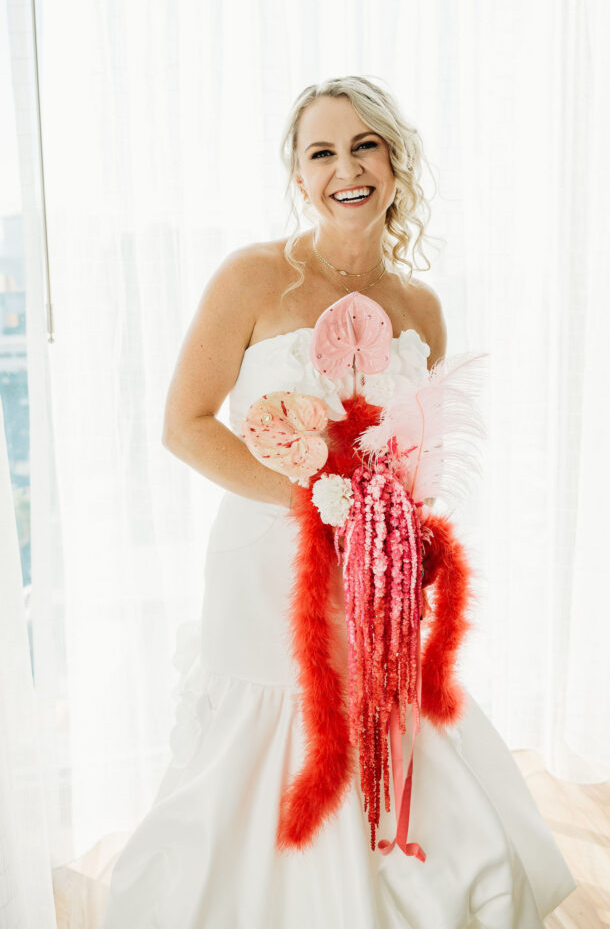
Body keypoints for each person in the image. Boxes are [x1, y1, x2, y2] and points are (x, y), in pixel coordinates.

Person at [101, 76, 577, 927]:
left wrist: (401, 532)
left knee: (389, 722)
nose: (345, 167)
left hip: (375, 572)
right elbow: (185, 425)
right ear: (298, 173)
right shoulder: (249, 278)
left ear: (395, 162)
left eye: (364, 145)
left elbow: (413, 452)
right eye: (321, 151)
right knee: (271, 735)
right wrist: (314, 501)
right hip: (265, 562)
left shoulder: (421, 307)